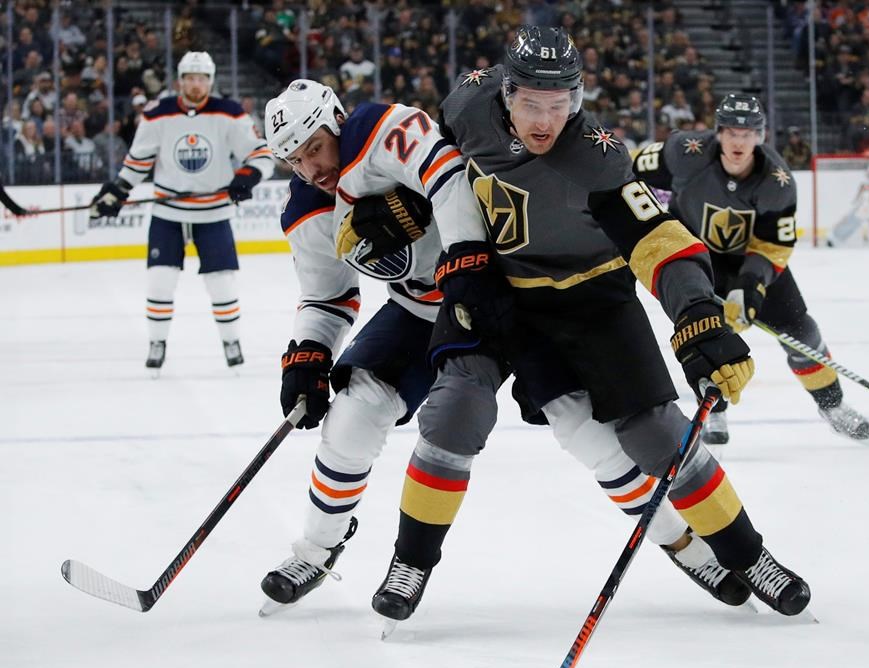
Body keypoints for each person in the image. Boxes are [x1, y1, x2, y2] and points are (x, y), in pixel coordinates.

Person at [257, 79, 758, 616]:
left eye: (315, 148)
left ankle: (681, 543)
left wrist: (462, 251)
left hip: (508, 290)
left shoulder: (381, 129)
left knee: (587, 431)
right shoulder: (305, 210)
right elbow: (327, 296)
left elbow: (447, 174)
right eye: (295, 160)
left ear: (337, 121)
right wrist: (309, 352)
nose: (311, 169)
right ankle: (317, 549)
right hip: (422, 307)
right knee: (354, 417)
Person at [371, 27, 812, 627]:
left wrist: (698, 314)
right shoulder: (469, 103)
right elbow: (433, 167)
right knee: (455, 410)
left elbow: (656, 238)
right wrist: (396, 205)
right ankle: (410, 561)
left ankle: (747, 555)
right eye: (532, 103)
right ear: (506, 93)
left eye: (561, 105)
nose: (546, 121)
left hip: (591, 296)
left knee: (657, 434)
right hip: (494, 287)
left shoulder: (595, 156)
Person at [632, 94, 869, 445]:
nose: (739, 142)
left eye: (747, 134)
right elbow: (626, 171)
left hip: (750, 258)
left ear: (761, 136)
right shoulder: (685, 151)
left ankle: (832, 405)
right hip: (695, 255)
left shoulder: (778, 181)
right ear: (718, 133)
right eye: (732, 132)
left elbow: (773, 244)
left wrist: (750, 286)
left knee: (801, 330)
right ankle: (714, 411)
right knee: (705, 332)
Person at [89, 51, 275, 371]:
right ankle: (157, 343)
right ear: (180, 81)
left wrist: (247, 176)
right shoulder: (157, 114)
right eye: (189, 78)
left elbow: (261, 154)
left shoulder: (229, 113)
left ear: (210, 81)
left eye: (201, 78)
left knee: (222, 283)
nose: (195, 85)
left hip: (213, 213)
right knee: (159, 281)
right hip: (168, 213)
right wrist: (118, 190)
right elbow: (137, 162)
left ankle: (231, 342)